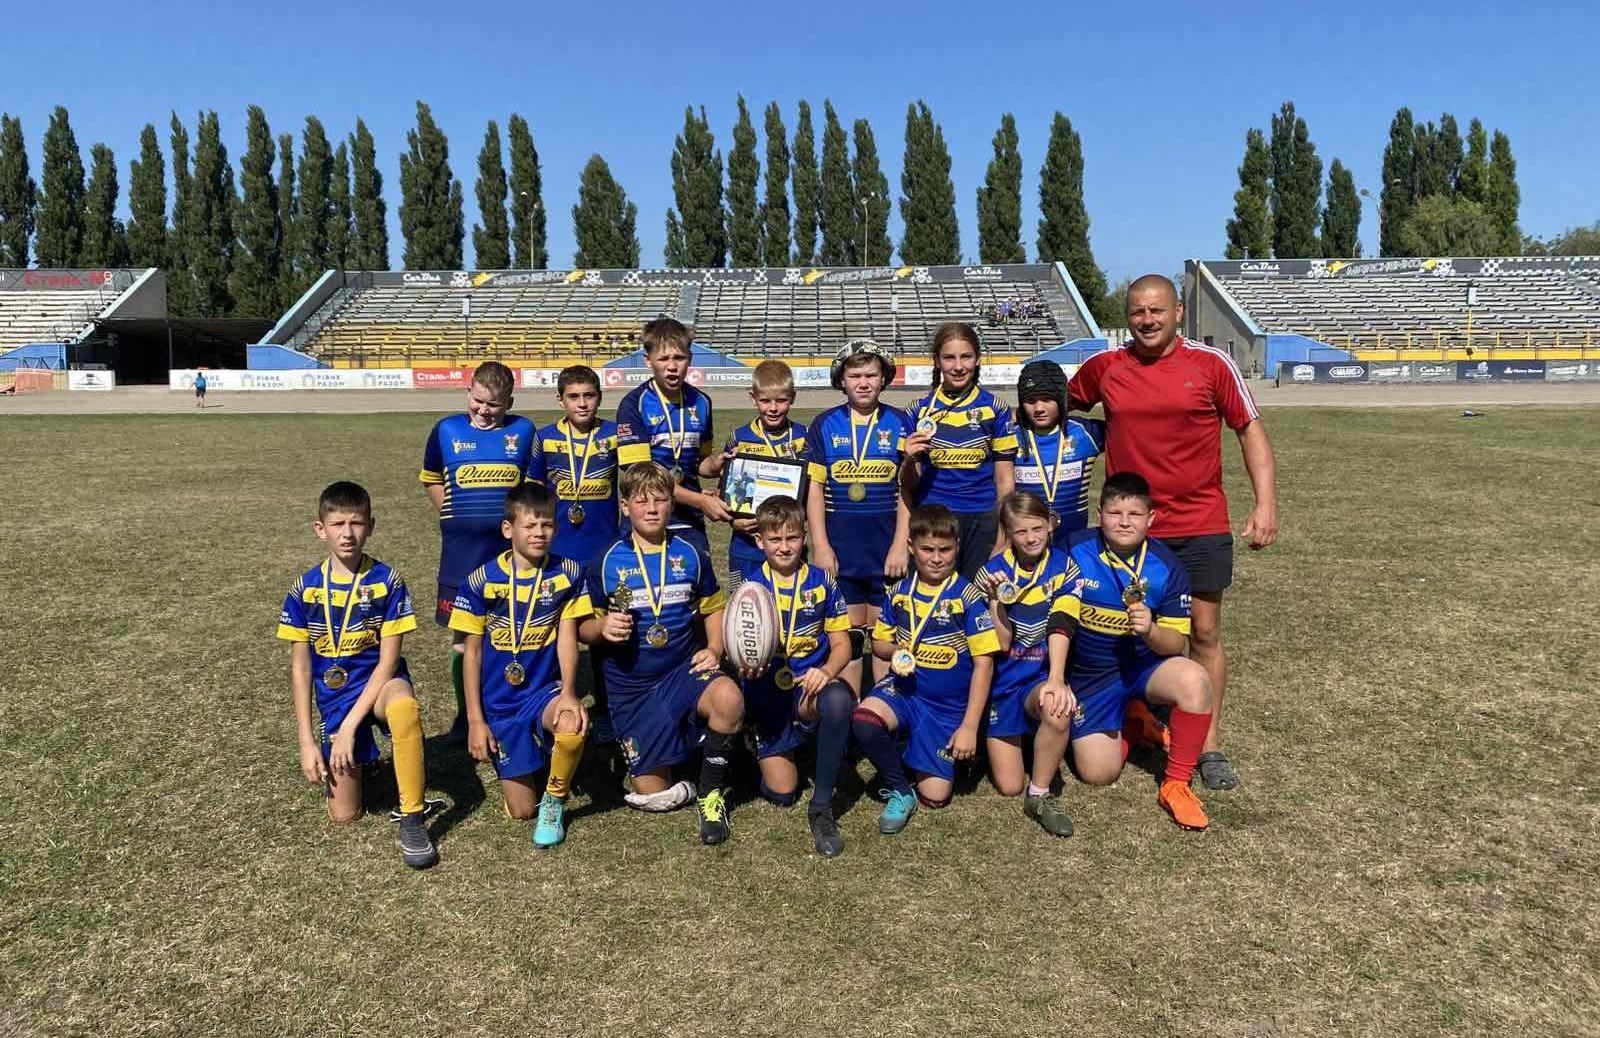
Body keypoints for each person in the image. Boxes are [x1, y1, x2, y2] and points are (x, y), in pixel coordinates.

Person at [1068, 275, 1278, 791]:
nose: (1147, 320)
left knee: (1202, 633)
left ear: (1178, 312)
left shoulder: (1212, 365)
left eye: (1157, 310)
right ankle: (1132, 710)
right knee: (1122, 626)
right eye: (1137, 311)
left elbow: (1248, 429)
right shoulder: (1105, 367)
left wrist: (1265, 503)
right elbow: (1056, 405)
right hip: (1127, 530)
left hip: (1198, 522)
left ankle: (1208, 747)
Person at [578, 462, 745, 845]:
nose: (652, 509)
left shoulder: (691, 553)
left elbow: (713, 607)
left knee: (728, 697)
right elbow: (583, 627)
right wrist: (601, 629)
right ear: (625, 507)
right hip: (632, 687)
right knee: (653, 792)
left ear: (672, 503)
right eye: (642, 501)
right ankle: (694, 758)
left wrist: (714, 648)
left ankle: (710, 794)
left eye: (660, 500)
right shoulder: (607, 560)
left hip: (681, 671)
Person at [276, 481, 438, 869]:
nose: (347, 533)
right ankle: (360, 760)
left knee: (404, 708)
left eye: (357, 523)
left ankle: (412, 815)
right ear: (320, 529)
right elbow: (301, 668)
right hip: (336, 698)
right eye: (337, 524)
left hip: (380, 686)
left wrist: (350, 727)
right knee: (344, 815)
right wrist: (306, 742)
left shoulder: (387, 580)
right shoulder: (304, 589)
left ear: (371, 526)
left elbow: (388, 662)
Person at [1041, 473, 1214, 830]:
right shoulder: (1074, 549)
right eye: (1114, 513)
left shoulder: (1166, 565)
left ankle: (1176, 784)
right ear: (1099, 514)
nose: (1123, 522)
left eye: (1134, 514)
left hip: (1143, 667)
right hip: (1091, 676)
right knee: (1097, 774)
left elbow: (1175, 644)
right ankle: (1135, 723)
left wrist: (1150, 629)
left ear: (1151, 518)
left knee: (1195, 679)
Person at [449, 484, 589, 849]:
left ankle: (554, 800)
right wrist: (475, 721)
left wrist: (569, 693)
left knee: (571, 722)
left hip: (543, 693)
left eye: (547, 524)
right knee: (522, 809)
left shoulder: (568, 573)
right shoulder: (481, 581)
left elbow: (568, 637)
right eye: (530, 525)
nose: (539, 533)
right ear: (508, 529)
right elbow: (471, 654)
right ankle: (535, 757)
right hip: (499, 705)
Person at [853, 505, 1002, 834]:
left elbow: (984, 664)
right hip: (904, 693)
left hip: (946, 708)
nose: (936, 558)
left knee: (935, 797)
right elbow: (879, 645)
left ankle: (915, 747)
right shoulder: (898, 593)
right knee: (864, 720)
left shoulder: (967, 597)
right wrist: (897, 650)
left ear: (957, 547)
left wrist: (968, 727)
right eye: (927, 549)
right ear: (911, 547)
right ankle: (900, 790)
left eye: (945, 549)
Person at [419, 361, 537, 741]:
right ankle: (465, 714)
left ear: (509, 402)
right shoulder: (445, 430)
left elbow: (532, 489)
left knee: (512, 631)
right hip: (461, 556)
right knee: (463, 637)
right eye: (478, 401)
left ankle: (509, 706)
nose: (484, 411)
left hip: (508, 555)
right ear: (468, 392)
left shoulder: (523, 431)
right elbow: (431, 478)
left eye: (494, 405)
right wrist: (450, 512)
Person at [736, 496, 856, 857]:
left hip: (807, 688)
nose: (785, 547)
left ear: (804, 536)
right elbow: (735, 647)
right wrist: (743, 661)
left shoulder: (822, 582)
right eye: (775, 539)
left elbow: (842, 644)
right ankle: (756, 744)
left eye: (792, 537)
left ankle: (821, 807)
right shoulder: (750, 587)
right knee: (783, 793)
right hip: (766, 695)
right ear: (759, 541)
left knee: (838, 699)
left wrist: (827, 670)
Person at [805, 339, 913, 692]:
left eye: (871, 375)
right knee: (848, 639)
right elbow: (815, 490)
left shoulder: (900, 422)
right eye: (855, 376)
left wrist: (901, 545)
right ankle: (849, 709)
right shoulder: (824, 424)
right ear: (842, 379)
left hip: (887, 551)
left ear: (884, 379)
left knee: (884, 638)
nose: (863, 383)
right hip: (841, 551)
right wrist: (821, 546)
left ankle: (882, 710)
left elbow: (908, 490)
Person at [973, 491, 1077, 837]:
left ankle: (1040, 795)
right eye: (1020, 531)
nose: (1031, 538)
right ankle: (993, 738)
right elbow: (1001, 643)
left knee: (1058, 706)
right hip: (1000, 686)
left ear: (1050, 525)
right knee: (1008, 785)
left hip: (1038, 679)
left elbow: (1062, 624)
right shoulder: (990, 573)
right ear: (1008, 533)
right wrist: (995, 602)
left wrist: (1057, 679)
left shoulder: (1064, 567)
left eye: (1037, 528)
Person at [525, 364, 620, 738]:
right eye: (574, 397)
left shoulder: (615, 435)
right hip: (558, 555)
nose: (582, 404)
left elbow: (631, 487)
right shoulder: (544, 438)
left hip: (602, 553)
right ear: (560, 400)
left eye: (589, 396)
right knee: (550, 631)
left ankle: (608, 709)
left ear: (599, 397)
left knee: (603, 635)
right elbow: (533, 497)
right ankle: (545, 704)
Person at [902, 322, 1017, 579]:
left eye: (966, 357)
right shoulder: (917, 410)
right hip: (932, 520)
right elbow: (908, 486)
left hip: (982, 520)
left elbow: (1005, 480)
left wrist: (1003, 535)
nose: (958, 366)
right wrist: (909, 460)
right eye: (949, 358)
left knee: (976, 595)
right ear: (937, 361)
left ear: (978, 359)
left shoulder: (995, 408)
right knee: (932, 596)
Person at [615, 317, 728, 559]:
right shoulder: (633, 404)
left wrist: (717, 465)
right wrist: (700, 501)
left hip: (688, 517)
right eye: (663, 358)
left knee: (694, 577)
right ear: (648, 360)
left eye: (679, 357)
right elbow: (642, 478)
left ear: (690, 358)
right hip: (648, 512)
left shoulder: (702, 402)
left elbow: (701, 463)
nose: (672, 366)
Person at [699, 359, 808, 587]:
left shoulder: (804, 436)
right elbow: (727, 491)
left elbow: (813, 491)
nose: (773, 408)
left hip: (789, 546)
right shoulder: (739, 437)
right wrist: (733, 520)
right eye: (765, 401)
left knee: (788, 604)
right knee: (745, 601)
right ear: (753, 398)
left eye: (781, 400)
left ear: (793, 397)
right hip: (745, 546)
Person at [1012, 359, 1104, 549]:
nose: (1039, 408)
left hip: (1076, 545)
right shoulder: (1009, 436)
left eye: (1047, 399)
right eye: (1030, 401)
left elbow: (1130, 429)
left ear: (1061, 399)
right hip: (1027, 545)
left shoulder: (1086, 432)